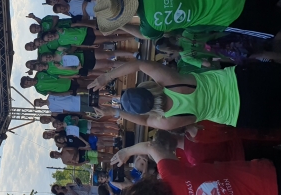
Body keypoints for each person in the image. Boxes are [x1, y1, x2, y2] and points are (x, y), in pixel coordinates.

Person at [109, 136, 279, 195]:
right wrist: (126, 151)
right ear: (145, 186)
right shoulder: (172, 175)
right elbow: (151, 146)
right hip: (266, 179)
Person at [87, 59, 281, 131]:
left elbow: (145, 122)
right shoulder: (170, 80)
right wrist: (106, 77)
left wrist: (115, 113)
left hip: (242, 114)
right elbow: (139, 64)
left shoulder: (167, 120)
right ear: (144, 87)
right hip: (241, 82)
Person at [93, 0, 281, 40]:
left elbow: (144, 36)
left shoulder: (150, 25)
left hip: (229, 15)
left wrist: (120, 24)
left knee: (276, 25)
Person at [21, 71, 90, 96]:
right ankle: (97, 91)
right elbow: (52, 93)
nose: (29, 82)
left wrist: (69, 76)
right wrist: (66, 93)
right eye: (27, 84)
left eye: (27, 81)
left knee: (85, 83)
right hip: (66, 89)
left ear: (28, 77)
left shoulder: (39, 73)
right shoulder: (38, 90)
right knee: (85, 91)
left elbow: (54, 73)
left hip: (67, 80)